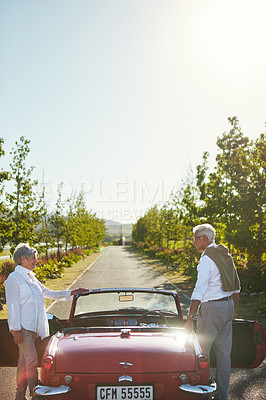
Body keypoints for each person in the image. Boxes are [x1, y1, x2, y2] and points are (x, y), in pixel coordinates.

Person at [4, 243, 88, 400]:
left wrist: (72, 292)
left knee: (23, 362)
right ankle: (35, 394)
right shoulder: (13, 279)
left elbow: (48, 293)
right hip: (22, 328)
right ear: (22, 259)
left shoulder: (31, 277)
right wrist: (15, 329)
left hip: (33, 327)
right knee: (32, 360)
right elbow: (13, 306)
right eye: (33, 258)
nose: (36, 261)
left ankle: (19, 395)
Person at [185, 224, 240, 400]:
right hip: (227, 305)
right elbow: (236, 287)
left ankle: (203, 395)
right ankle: (223, 395)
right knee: (224, 355)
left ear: (204, 239)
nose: (193, 242)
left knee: (202, 353)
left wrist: (190, 317)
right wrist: (233, 311)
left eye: (195, 238)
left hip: (211, 309)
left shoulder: (207, 259)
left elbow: (199, 290)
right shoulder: (225, 254)